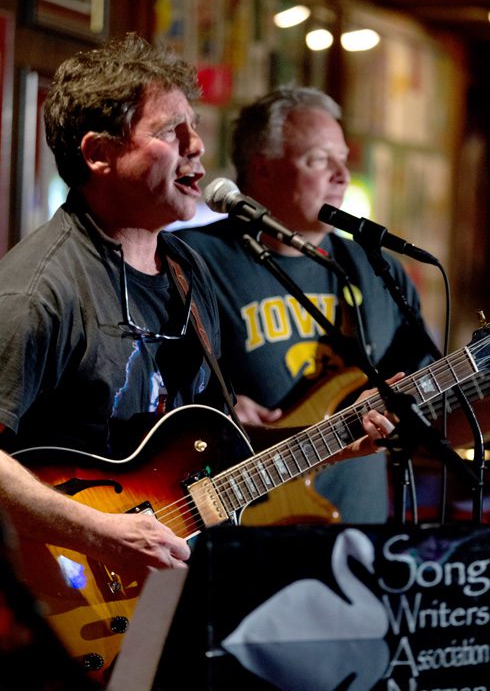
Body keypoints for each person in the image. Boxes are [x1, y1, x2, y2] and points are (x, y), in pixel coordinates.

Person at [0, 39, 394, 580]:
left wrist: (334, 441)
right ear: (98, 154)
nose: (196, 147)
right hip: (66, 595)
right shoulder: (39, 291)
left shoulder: (186, 269)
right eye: (169, 131)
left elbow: (215, 451)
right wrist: (99, 532)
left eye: (194, 126)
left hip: (169, 586)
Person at [177, 85, 432, 524]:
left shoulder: (376, 270)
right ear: (263, 170)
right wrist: (213, 411)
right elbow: (142, 395)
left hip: (356, 537)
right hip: (240, 525)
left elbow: (434, 404)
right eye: (318, 160)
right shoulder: (191, 260)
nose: (342, 175)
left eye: (343, 159)